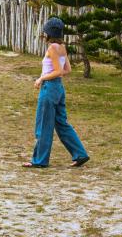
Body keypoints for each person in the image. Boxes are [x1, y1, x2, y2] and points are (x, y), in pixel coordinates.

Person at [22, 17, 89, 168]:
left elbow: (58, 71)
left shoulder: (52, 48)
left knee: (44, 125)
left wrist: (41, 78)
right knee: (61, 123)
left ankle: (39, 161)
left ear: (49, 33)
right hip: (59, 89)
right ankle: (80, 154)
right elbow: (67, 70)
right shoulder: (62, 47)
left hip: (49, 88)